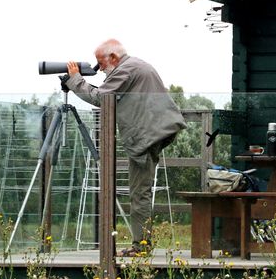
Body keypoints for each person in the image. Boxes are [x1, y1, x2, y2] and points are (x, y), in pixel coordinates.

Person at [64, 38, 186, 256]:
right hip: (154, 132)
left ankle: (141, 247)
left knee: (139, 193)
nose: (100, 69)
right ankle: (142, 244)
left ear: (113, 57)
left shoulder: (125, 70)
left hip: (146, 136)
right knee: (141, 190)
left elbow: (99, 98)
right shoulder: (136, 66)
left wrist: (75, 80)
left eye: (100, 62)